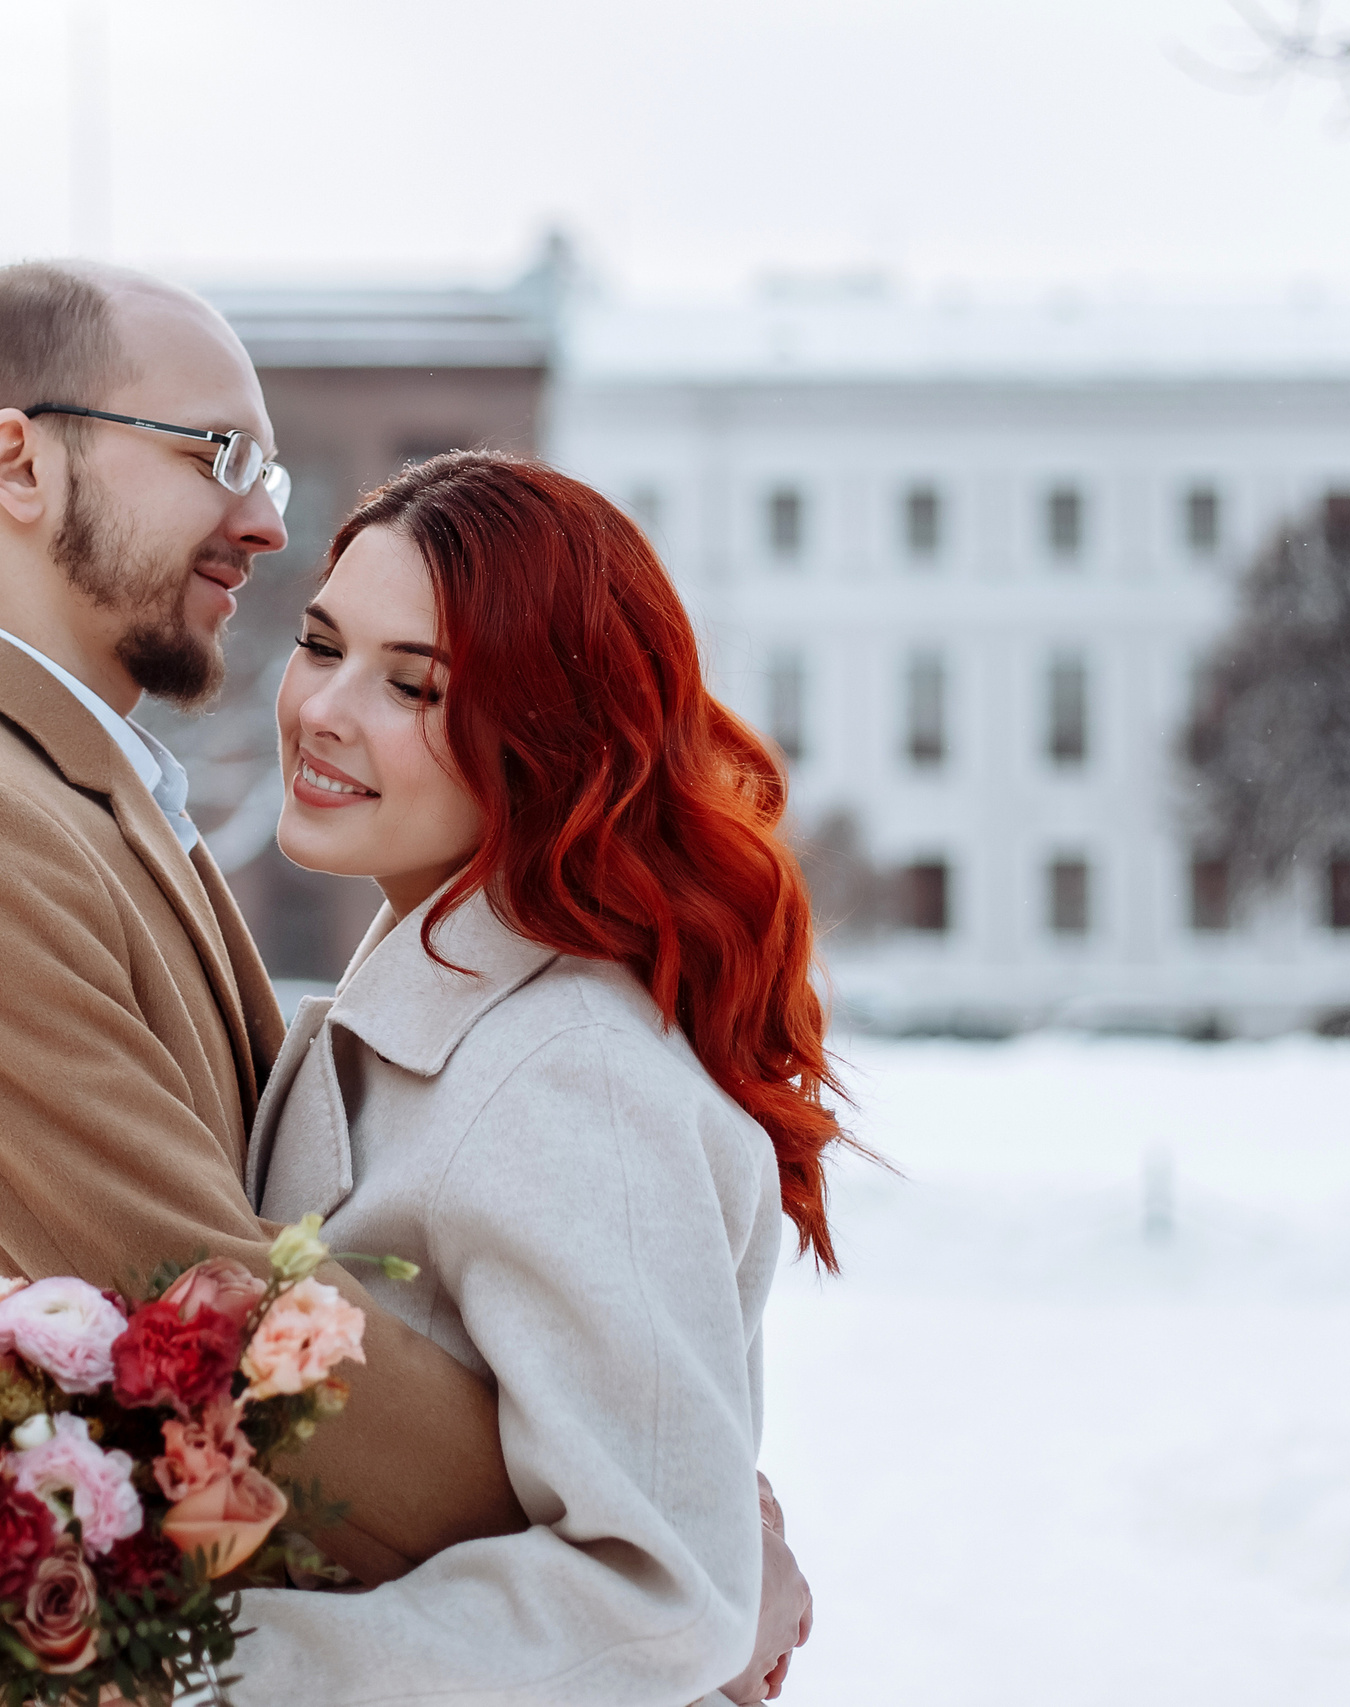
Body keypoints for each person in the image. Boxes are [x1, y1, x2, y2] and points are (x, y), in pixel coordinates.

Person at [0, 261, 811, 1704]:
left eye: (415, 680)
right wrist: (691, 1560)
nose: (262, 517)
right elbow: (204, 1311)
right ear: (17, 461)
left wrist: (671, 1548)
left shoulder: (99, 805)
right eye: (217, 456)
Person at [234, 453, 838, 1704]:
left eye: (412, 683)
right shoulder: (421, 1009)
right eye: (320, 643)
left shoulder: (569, 1076)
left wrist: (201, 1681)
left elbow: (660, 1593)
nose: (325, 710)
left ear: (547, 735)